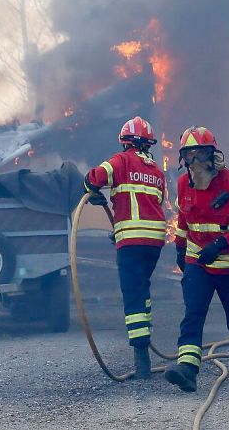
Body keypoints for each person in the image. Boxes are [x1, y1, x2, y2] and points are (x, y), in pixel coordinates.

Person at [164, 126, 229, 392]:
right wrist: (181, 248)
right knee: (193, 313)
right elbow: (183, 217)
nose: (193, 163)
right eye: (188, 156)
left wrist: (222, 243)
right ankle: (188, 370)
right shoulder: (184, 183)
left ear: (212, 156)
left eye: (199, 155)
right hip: (198, 263)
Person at [85, 116, 167, 379]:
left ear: (125, 143)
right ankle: (145, 340)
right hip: (154, 241)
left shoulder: (121, 161)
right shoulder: (156, 171)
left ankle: (141, 358)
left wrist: (89, 187)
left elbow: (96, 177)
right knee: (142, 287)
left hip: (132, 241)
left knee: (132, 294)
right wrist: (120, 231)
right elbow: (150, 204)